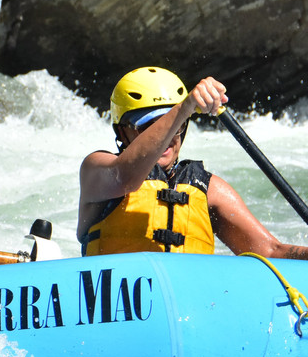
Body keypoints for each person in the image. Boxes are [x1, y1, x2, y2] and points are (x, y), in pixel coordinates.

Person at [77, 66, 308, 259]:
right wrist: (184, 108)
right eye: (148, 127)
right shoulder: (97, 169)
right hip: (116, 310)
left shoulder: (210, 190)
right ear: (122, 132)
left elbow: (269, 251)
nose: (167, 138)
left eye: (176, 127)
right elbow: (125, 176)